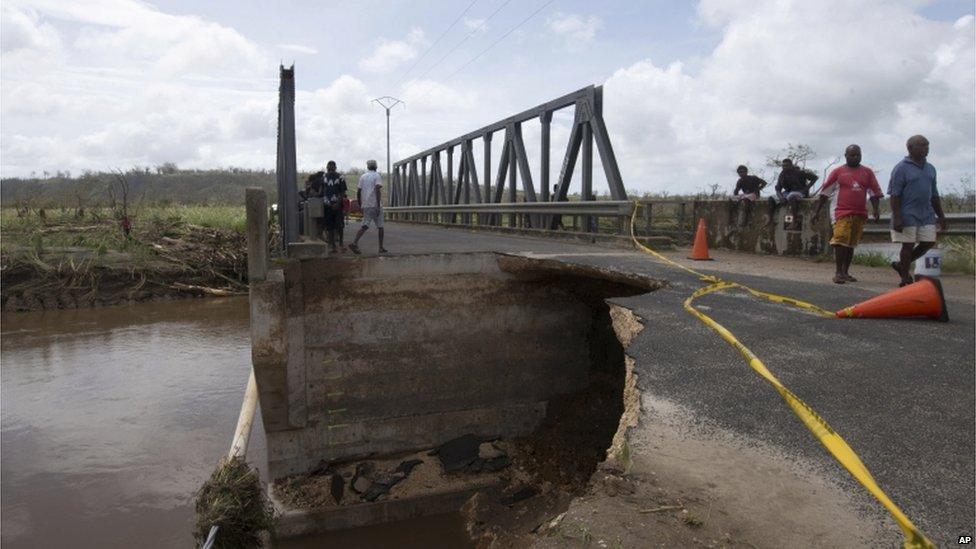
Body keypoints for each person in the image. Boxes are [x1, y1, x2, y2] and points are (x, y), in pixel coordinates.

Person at [812, 145, 881, 284]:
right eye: (852, 155)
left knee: (850, 243)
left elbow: (874, 193)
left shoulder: (867, 172)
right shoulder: (838, 172)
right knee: (841, 240)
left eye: (858, 155)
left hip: (859, 212)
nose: (855, 157)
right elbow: (825, 193)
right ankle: (838, 272)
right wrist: (817, 212)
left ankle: (845, 272)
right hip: (841, 212)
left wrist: (876, 209)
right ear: (846, 156)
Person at [888, 135, 947, 286]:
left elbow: (934, 194)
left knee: (928, 241)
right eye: (922, 145)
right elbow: (895, 195)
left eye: (927, 145)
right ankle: (904, 277)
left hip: (926, 213)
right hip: (907, 213)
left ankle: (902, 265)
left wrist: (941, 215)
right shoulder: (901, 168)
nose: (926, 148)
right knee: (907, 245)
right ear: (910, 148)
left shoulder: (930, 168)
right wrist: (897, 216)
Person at [348, 159, 387, 255]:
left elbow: (358, 191)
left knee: (365, 225)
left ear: (367, 167)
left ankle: (354, 242)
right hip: (374, 204)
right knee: (380, 226)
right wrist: (378, 205)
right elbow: (377, 190)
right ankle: (380, 247)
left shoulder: (363, 176)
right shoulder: (377, 176)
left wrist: (360, 204)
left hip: (366, 205)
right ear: (376, 167)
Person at [767, 158, 818, 228]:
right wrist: (781, 197)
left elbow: (815, 178)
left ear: (791, 165)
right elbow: (778, 188)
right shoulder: (782, 175)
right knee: (771, 198)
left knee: (792, 197)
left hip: (799, 191)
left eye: (787, 166)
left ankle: (795, 220)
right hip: (787, 192)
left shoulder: (799, 173)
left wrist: (806, 188)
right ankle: (770, 219)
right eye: (783, 166)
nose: (785, 167)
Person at [322, 161, 347, 253]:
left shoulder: (340, 177)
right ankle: (332, 245)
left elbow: (343, 192)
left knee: (339, 225)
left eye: (332, 168)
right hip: (327, 205)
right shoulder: (324, 177)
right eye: (329, 168)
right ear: (327, 168)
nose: (330, 170)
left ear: (335, 168)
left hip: (338, 205)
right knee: (330, 226)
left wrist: (338, 203)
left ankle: (340, 244)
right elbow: (323, 189)